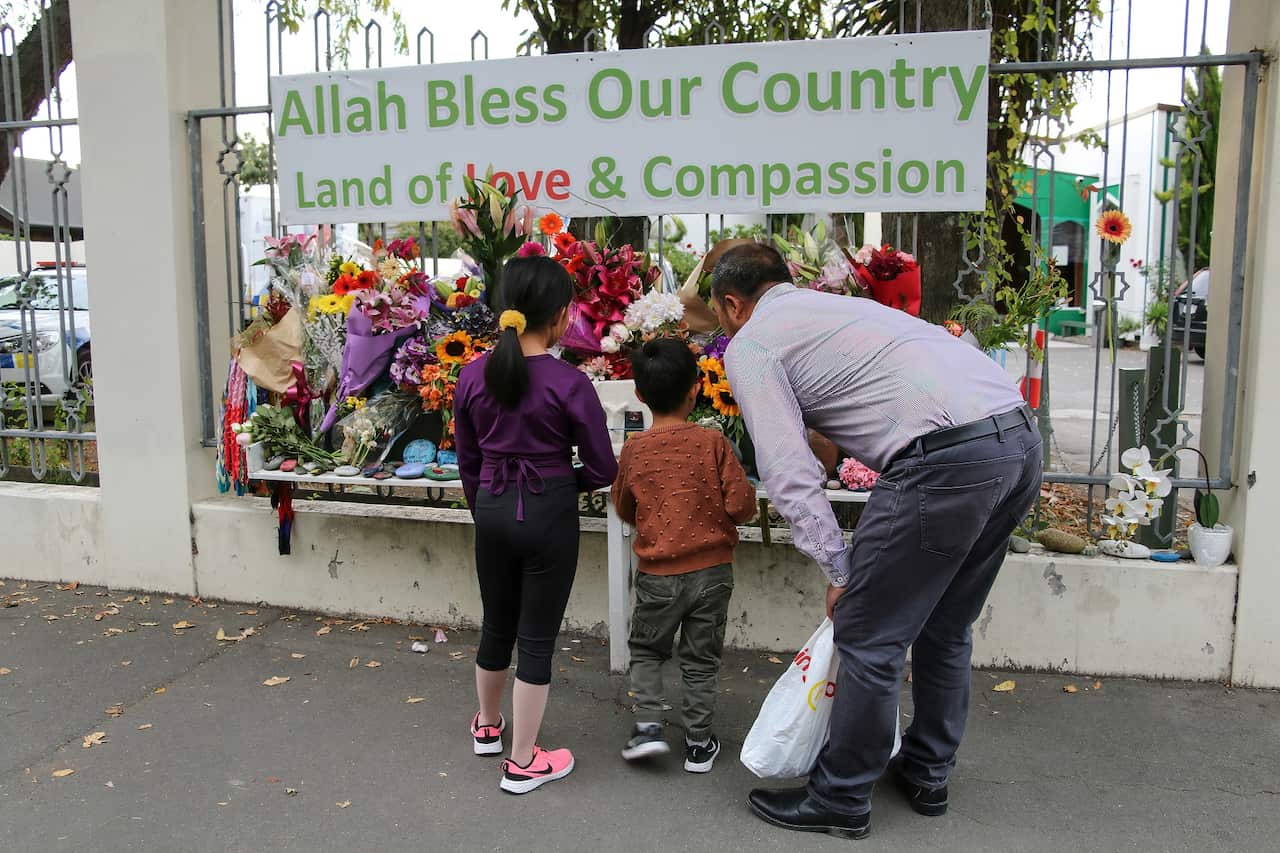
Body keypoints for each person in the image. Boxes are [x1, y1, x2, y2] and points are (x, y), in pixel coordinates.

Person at [710, 243, 1042, 840]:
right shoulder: (840, 311)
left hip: (947, 459)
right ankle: (926, 771)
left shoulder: (753, 343)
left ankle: (840, 796)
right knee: (945, 624)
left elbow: (787, 470)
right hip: (1017, 437)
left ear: (733, 305)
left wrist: (840, 571)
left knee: (866, 630)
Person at [452, 255, 618, 795]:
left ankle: (487, 726)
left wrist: (488, 509)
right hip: (547, 511)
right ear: (563, 316)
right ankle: (524, 761)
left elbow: (468, 461)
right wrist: (560, 481)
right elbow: (601, 468)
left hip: (493, 509)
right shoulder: (569, 382)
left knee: (496, 624)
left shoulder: (471, 375)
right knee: (537, 640)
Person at [610, 337, 757, 773]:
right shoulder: (713, 443)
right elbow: (742, 506)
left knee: (648, 650)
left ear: (639, 395)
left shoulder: (635, 449)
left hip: (657, 573)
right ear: (697, 387)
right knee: (700, 657)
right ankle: (698, 743)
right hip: (713, 573)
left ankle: (650, 728)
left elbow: (622, 506)